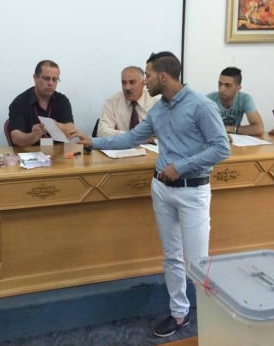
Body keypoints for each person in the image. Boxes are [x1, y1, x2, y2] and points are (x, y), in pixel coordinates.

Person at [77, 51, 230, 338]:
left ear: (163, 76)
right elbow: (130, 138)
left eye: (147, 76)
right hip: (161, 189)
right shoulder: (159, 110)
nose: (144, 82)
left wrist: (181, 167)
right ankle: (179, 314)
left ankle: (217, 318)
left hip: (192, 191)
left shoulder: (202, 106)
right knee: (171, 257)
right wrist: (93, 142)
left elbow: (222, 148)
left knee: (198, 262)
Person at [8, 59, 78, 147]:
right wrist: (34, 135)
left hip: (58, 152)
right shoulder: (19, 103)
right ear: (35, 78)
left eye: (54, 79)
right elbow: (16, 138)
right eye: (46, 78)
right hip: (30, 152)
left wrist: (55, 125)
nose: (51, 83)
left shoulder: (62, 100)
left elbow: (71, 130)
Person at [96, 66, 159, 137]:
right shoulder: (112, 102)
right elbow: (102, 132)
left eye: (132, 82)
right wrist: (131, 136)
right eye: (124, 83)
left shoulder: (156, 102)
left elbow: (165, 133)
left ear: (143, 83)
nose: (127, 88)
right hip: (122, 144)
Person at [207, 66, 264, 136]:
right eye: (220, 84)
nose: (221, 89)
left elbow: (259, 129)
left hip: (235, 139)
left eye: (227, 85)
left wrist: (233, 129)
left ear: (238, 88)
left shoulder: (245, 99)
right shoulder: (209, 100)